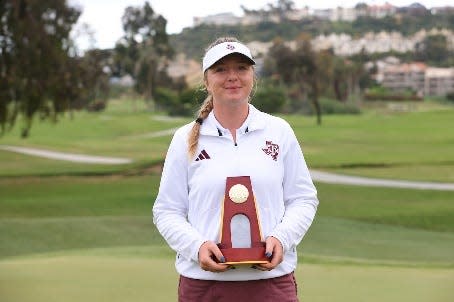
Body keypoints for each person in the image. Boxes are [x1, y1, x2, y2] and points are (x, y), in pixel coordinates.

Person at [153, 36, 318, 302]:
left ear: (253, 76)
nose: (232, 77)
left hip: (271, 284)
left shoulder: (279, 131)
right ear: (206, 80)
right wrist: (196, 247)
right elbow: (167, 211)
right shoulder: (185, 139)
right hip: (204, 287)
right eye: (221, 70)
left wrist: (282, 238)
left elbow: (303, 199)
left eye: (241, 68)